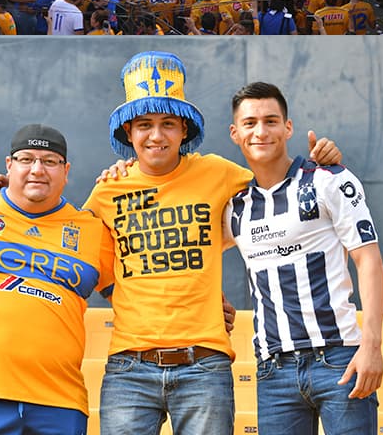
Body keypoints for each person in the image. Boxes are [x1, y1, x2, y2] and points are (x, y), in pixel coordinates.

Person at [83, 52, 341, 435]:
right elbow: (88, 254)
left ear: (184, 130)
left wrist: (324, 161)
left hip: (204, 365)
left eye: (168, 123)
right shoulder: (107, 190)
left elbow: (277, 187)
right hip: (129, 367)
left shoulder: (218, 173)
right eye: (144, 125)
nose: (156, 135)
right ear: (128, 133)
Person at [225, 82, 383, 434]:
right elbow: (192, 257)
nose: (261, 131)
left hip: (339, 358)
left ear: (288, 127)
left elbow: (369, 261)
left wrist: (372, 345)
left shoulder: (329, 179)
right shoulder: (234, 207)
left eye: (271, 121)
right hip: (272, 370)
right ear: (235, 133)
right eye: (250, 123)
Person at [0, 125, 116, 434]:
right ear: (9, 165)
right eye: (26, 159)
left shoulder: (91, 230)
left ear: (66, 170)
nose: (37, 169)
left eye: (49, 161)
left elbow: (134, 293)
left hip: (60, 402)